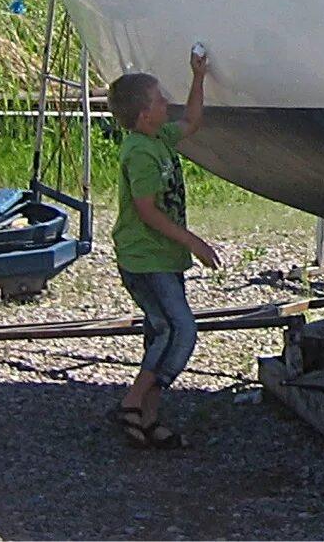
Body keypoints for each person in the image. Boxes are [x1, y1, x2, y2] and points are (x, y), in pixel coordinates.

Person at [107, 49, 220, 449]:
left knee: (161, 332)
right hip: (145, 259)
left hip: (162, 257)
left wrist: (198, 77)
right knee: (180, 330)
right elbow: (147, 210)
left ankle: (147, 418)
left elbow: (191, 121)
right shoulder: (140, 151)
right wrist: (195, 242)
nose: (165, 103)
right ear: (144, 116)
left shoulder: (159, 137)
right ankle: (131, 402)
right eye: (158, 100)